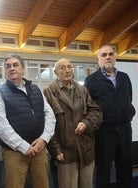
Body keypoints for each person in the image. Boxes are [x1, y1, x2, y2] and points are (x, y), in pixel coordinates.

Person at [0, 54, 56, 188]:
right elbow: (2, 126)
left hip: (39, 149)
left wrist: (44, 139)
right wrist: (24, 147)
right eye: (8, 66)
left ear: (23, 68)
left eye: (15, 65)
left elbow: (50, 115)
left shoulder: (36, 89)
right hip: (14, 152)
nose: (11, 68)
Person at [43, 58, 102, 188]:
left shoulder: (82, 90)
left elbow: (96, 112)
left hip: (86, 149)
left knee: (87, 185)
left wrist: (86, 123)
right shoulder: (48, 92)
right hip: (65, 152)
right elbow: (47, 125)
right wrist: (56, 150)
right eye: (62, 68)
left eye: (70, 67)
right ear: (55, 72)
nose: (67, 70)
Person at [84, 45, 136, 188]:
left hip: (125, 130)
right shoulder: (91, 80)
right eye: (104, 55)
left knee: (125, 168)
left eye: (111, 54)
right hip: (103, 133)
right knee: (103, 170)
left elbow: (128, 99)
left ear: (115, 57)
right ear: (98, 59)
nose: (108, 57)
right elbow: (88, 107)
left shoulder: (124, 77)